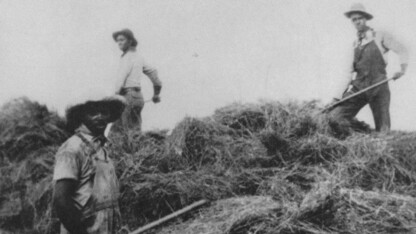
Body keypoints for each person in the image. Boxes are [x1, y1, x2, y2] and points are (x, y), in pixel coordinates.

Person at [53, 95, 126, 234]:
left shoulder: (103, 151)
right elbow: (61, 200)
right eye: (93, 112)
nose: (100, 116)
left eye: (104, 112)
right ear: (81, 115)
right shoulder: (72, 148)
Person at [330, 3, 408, 132]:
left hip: (378, 86)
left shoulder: (380, 36)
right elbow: (348, 73)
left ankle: (379, 140)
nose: (357, 22)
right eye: (354, 20)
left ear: (365, 19)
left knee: (383, 128)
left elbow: (402, 50)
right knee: (334, 117)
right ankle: (363, 134)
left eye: (359, 18)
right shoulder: (355, 44)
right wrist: (336, 98)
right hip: (359, 87)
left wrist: (402, 69)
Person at [112, 28, 162, 133]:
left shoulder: (127, 57)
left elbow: (121, 79)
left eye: (122, 40)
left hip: (127, 97)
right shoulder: (139, 57)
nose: (119, 43)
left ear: (130, 41)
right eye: (118, 41)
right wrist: (156, 94)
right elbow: (153, 73)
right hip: (138, 98)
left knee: (125, 133)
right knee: (126, 131)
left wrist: (115, 97)